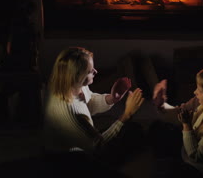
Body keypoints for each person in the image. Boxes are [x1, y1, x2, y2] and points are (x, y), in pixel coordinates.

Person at [43, 47, 144, 177]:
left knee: (134, 130)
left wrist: (112, 98)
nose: (95, 71)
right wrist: (127, 114)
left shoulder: (72, 84)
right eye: (90, 71)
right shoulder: (71, 112)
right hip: (68, 161)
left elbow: (89, 102)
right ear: (77, 77)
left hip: (85, 142)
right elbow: (98, 146)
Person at [150, 66, 203, 178]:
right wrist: (161, 104)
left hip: (198, 167)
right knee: (157, 128)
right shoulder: (201, 101)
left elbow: (196, 156)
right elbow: (180, 112)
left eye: (200, 90)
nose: (195, 92)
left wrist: (187, 125)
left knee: (164, 168)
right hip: (185, 149)